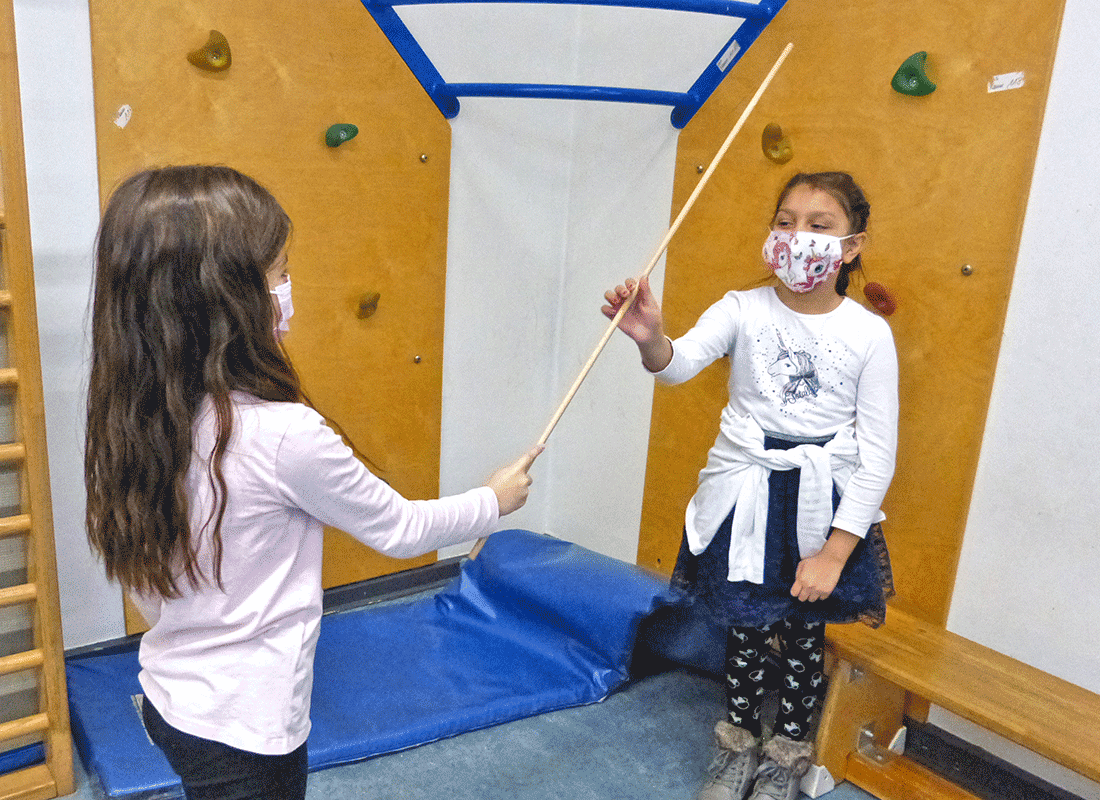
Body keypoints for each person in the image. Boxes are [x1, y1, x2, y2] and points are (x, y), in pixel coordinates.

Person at [84, 165, 542, 800]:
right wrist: (493, 501)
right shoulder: (283, 436)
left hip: (172, 700)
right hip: (248, 733)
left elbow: (146, 580)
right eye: (277, 271)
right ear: (222, 296)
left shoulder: (137, 415)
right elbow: (402, 530)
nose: (287, 286)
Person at [603, 172, 897, 800]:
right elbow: (676, 367)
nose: (798, 236)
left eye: (820, 226)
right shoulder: (742, 307)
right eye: (786, 221)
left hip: (821, 503)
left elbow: (877, 458)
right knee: (743, 626)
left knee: (802, 633)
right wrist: (651, 336)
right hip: (747, 494)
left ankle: (786, 758)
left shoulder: (870, 333)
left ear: (850, 247)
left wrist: (835, 553)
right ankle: (736, 747)